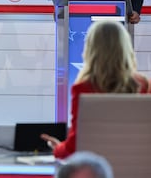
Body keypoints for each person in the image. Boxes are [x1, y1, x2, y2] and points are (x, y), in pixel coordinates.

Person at [41, 20, 149, 159]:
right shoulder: (145, 85)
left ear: (91, 49)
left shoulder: (83, 88)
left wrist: (58, 148)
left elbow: (74, 148)